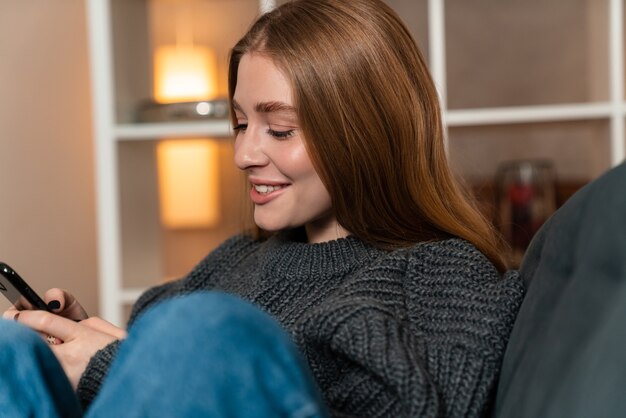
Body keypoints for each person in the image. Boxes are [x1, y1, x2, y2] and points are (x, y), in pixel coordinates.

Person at [1, 0, 524, 417]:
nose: (243, 155)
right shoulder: (235, 259)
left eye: (279, 130)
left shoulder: (443, 272)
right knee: (10, 350)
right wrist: (86, 348)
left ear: (366, 134)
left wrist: (119, 367)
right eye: (240, 124)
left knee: (201, 329)